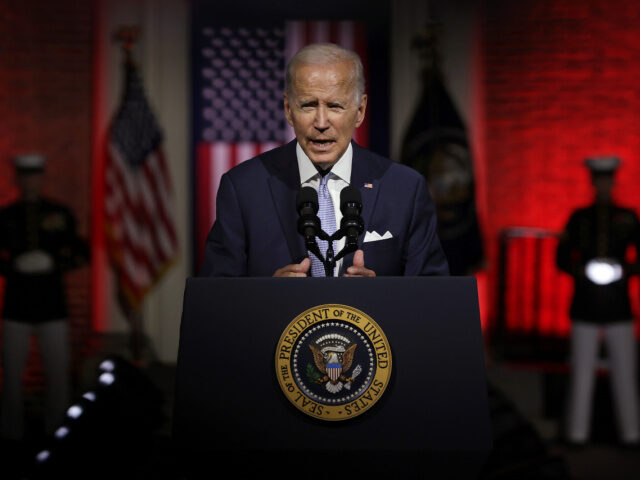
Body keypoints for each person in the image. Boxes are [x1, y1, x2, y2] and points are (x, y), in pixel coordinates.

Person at [200, 43, 449, 277]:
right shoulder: (243, 188)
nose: (321, 123)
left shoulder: (405, 189)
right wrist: (267, 296)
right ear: (288, 109)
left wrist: (380, 298)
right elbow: (215, 301)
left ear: (360, 111)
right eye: (308, 105)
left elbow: (433, 299)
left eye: (335, 106)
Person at [0, 154, 89, 440]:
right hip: (16, 306)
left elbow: (81, 252)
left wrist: (55, 264)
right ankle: (11, 434)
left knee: (58, 375)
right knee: (11, 376)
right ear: (18, 179)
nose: (30, 181)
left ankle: (57, 432)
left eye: (35, 175)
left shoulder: (59, 213)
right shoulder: (6, 216)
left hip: (52, 305)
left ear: (41, 178)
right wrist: (11, 266)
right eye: (25, 176)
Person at [556, 156, 640, 446]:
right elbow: (562, 257)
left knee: (625, 372)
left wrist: (622, 270)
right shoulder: (579, 218)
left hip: (618, 306)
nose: (603, 184)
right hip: (586, 305)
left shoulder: (628, 217)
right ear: (593, 182)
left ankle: (632, 434)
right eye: (599, 179)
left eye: (608, 179)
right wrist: (582, 271)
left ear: (613, 181)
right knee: (581, 372)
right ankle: (577, 435)